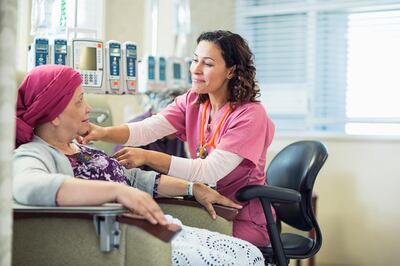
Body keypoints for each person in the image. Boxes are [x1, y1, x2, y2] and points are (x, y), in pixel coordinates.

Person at [13, 64, 265, 266]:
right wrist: (116, 192)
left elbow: (135, 180)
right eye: (80, 100)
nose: (89, 108)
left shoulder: (81, 149)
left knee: (248, 254)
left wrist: (192, 189)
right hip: (124, 237)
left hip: (152, 225)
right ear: (54, 114)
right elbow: (27, 186)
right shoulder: (34, 153)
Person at [81, 30, 275, 246]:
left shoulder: (250, 116)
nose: (196, 70)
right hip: (205, 208)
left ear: (231, 71)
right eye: (194, 60)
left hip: (241, 218)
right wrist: (101, 132)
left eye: (208, 64)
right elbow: (146, 129)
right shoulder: (193, 102)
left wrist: (147, 156)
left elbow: (207, 171)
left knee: (167, 245)